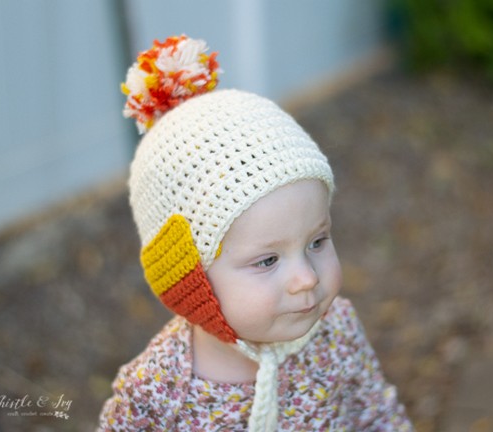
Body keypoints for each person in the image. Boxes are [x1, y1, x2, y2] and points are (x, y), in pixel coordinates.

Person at [98, 35, 413, 431]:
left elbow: (377, 416)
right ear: (189, 278)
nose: (307, 279)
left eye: (317, 242)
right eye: (267, 260)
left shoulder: (336, 332)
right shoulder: (155, 396)